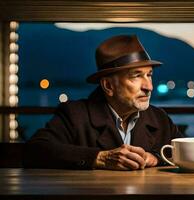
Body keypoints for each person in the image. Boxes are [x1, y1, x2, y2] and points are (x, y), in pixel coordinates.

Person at [23, 35, 182, 170]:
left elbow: (185, 153)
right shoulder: (75, 115)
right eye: (136, 76)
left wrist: (155, 158)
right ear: (108, 86)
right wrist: (100, 158)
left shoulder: (160, 119)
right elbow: (34, 150)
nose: (149, 87)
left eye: (149, 75)